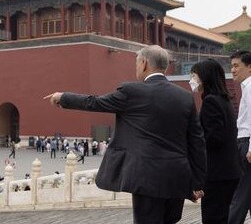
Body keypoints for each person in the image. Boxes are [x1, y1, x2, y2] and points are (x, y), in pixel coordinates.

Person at [44, 45, 207, 224]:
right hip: (176, 175)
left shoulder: (132, 92)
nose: (136, 67)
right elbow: (196, 141)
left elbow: (94, 102)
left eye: (137, 63)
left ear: (144, 63)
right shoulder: (184, 97)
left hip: (146, 177)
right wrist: (198, 182)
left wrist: (63, 97)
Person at [190, 59, 241, 223]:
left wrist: (195, 141)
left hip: (217, 174)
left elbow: (215, 137)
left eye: (194, 76)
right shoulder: (224, 100)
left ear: (205, 78)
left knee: (213, 217)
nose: (192, 80)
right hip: (229, 172)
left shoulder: (210, 101)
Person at [229, 50, 251, 224]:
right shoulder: (246, 87)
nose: (233, 70)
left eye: (237, 66)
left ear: (249, 68)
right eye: (232, 66)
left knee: (242, 193)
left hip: (247, 144)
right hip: (244, 143)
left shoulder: (250, 87)